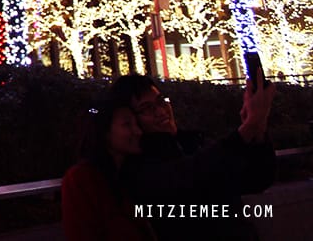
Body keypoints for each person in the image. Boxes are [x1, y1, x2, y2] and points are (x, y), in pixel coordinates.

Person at [110, 73, 276, 241]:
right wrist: (250, 126)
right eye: (147, 108)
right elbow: (190, 175)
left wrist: (259, 127)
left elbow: (256, 179)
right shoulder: (138, 167)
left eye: (160, 101)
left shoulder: (191, 142)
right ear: (131, 120)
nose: (160, 112)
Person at [62, 99, 154, 240]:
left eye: (136, 124)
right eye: (127, 124)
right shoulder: (81, 179)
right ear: (104, 132)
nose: (138, 132)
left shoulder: (132, 175)